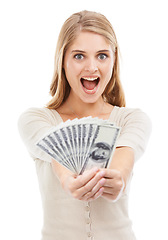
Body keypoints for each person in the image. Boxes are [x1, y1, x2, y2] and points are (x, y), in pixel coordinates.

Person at [18, 10, 151, 240]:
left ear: (114, 59)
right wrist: (67, 180)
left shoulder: (132, 120)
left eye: (102, 55)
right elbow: (57, 152)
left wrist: (117, 178)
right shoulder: (35, 120)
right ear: (62, 60)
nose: (92, 67)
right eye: (79, 56)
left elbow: (123, 159)